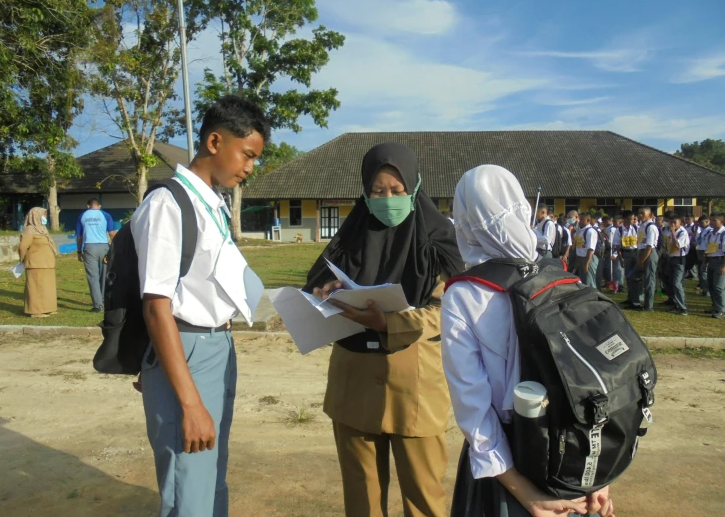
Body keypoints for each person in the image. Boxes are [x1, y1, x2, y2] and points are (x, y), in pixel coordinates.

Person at [441, 165, 613, 517]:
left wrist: (525, 493)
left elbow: (473, 408)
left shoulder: (463, 296)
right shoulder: (565, 280)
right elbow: (599, 382)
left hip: (508, 464)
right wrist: (601, 472)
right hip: (577, 458)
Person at [305, 142, 463, 517]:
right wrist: (324, 293)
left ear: (415, 186)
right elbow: (319, 285)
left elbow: (452, 310)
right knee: (362, 499)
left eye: (396, 190)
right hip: (353, 382)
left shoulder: (439, 241)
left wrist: (388, 322)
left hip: (415, 386)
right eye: (377, 192)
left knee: (424, 498)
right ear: (364, 192)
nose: (387, 199)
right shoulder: (348, 240)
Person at [132, 95, 269, 517]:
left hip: (217, 348)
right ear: (214, 141)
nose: (249, 167)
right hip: (186, 350)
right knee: (188, 487)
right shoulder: (168, 205)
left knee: (210, 476)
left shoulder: (211, 204)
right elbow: (157, 306)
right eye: (247, 155)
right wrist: (189, 404)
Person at [76, 198, 116, 312]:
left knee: (93, 276)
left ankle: (98, 305)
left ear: (88, 206)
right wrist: (114, 249)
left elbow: (79, 237)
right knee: (104, 275)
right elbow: (112, 233)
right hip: (104, 247)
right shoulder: (105, 215)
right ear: (99, 206)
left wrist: (79, 251)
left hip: (89, 247)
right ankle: (104, 301)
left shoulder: (82, 216)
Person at [19, 208, 58, 318]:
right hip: (35, 263)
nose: (44, 217)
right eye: (43, 215)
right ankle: (36, 311)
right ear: (35, 216)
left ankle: (48, 308)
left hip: (47, 264)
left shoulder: (43, 229)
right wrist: (23, 259)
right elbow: (22, 247)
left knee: (47, 287)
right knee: (36, 287)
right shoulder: (29, 230)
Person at [630, 207, 660, 312]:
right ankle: (636, 301)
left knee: (649, 280)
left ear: (650, 215)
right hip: (641, 253)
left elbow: (649, 246)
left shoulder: (651, 227)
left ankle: (649, 306)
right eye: (639, 213)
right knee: (634, 277)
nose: (640, 215)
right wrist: (639, 258)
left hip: (649, 254)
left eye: (643, 213)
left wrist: (642, 261)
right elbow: (640, 244)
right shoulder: (641, 226)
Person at [666, 216, 690, 316]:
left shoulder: (682, 233)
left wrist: (673, 232)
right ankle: (676, 304)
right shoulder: (670, 232)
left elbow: (677, 245)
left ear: (680, 223)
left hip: (679, 260)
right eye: (671, 222)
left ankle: (683, 307)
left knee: (677, 283)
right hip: (671, 258)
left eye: (675, 222)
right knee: (671, 282)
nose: (672, 225)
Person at [705, 212, 725, 319]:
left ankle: (721, 309)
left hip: (720, 261)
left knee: (718, 287)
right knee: (711, 285)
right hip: (711, 260)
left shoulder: (723, 234)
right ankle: (715, 306)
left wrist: (723, 266)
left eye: (714, 220)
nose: (711, 222)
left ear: (721, 221)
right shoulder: (711, 233)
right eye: (711, 220)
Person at [574, 212, 598, 288]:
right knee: (583, 281)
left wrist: (587, 264)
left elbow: (591, 249)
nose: (580, 221)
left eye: (582, 220)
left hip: (588, 259)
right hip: (581, 258)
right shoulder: (580, 231)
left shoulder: (590, 231)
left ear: (588, 220)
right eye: (579, 219)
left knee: (589, 281)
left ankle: (593, 298)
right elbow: (579, 247)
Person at [618, 211, 638, 301]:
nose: (633, 220)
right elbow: (617, 246)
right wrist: (621, 259)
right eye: (631, 219)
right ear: (625, 219)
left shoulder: (637, 228)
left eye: (634, 219)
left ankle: (637, 297)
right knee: (628, 276)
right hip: (626, 253)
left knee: (636, 276)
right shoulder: (619, 230)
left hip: (636, 253)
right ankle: (630, 297)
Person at [695, 215, 711, 297]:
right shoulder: (703, 230)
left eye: (702, 223)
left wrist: (706, 253)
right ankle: (704, 289)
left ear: (708, 221)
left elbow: (710, 243)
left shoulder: (710, 231)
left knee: (704, 271)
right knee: (701, 272)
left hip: (705, 252)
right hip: (700, 250)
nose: (700, 224)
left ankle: (707, 291)